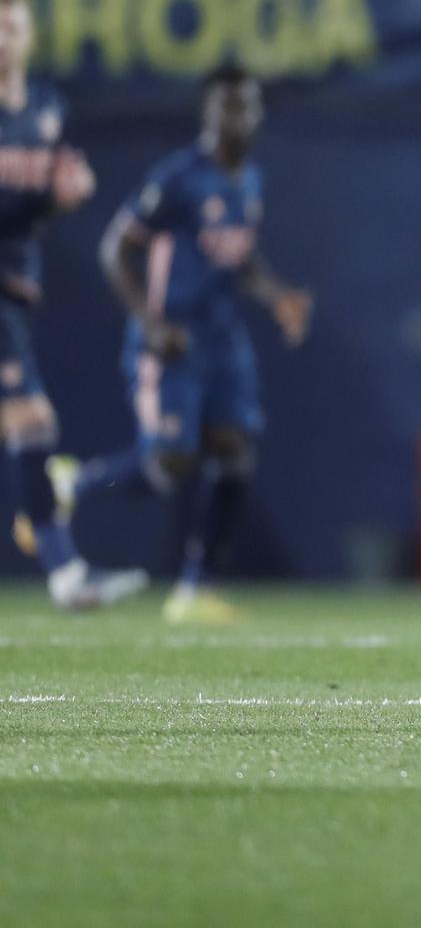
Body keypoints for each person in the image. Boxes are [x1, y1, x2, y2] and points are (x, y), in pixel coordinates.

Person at [60, 66, 313, 623]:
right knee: (171, 462)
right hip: (171, 337)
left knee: (236, 452)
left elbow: (239, 258)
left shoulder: (250, 179)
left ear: (258, 113)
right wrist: (148, 323)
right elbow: (113, 250)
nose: (237, 117)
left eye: (245, 106)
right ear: (208, 112)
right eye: (227, 106)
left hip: (223, 339)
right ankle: (72, 482)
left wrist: (278, 297)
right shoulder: (179, 177)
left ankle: (195, 589)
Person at [0, 0, 147, 610]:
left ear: (31, 36)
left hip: (14, 289)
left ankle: (66, 576)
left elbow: (43, 195)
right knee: (33, 424)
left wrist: (69, 194)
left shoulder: (46, 109)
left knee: (29, 428)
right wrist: (46, 200)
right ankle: (65, 577)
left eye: (11, 27)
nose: (2, 39)